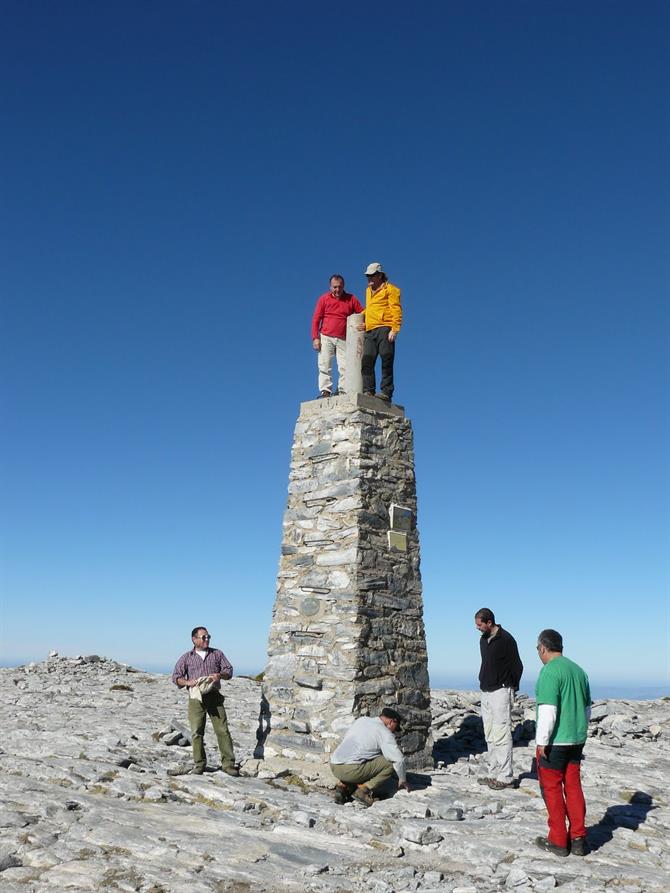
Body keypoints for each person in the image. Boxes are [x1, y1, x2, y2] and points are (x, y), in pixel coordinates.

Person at [534, 628, 591, 857]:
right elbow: (587, 709)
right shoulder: (579, 671)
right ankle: (578, 838)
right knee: (574, 786)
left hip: (555, 741)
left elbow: (548, 710)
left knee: (552, 788)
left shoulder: (549, 672)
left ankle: (558, 840)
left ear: (543, 648)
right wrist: (580, 731)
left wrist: (541, 742)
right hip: (577, 739)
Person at [172, 627, 239, 776]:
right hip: (196, 698)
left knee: (222, 730)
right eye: (203, 637)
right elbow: (176, 677)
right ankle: (199, 764)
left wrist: (220, 675)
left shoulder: (217, 654)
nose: (207, 639)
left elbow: (229, 670)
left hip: (214, 696)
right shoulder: (186, 657)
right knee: (197, 732)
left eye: (208, 637)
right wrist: (187, 682)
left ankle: (228, 765)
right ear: (194, 639)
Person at [474, 607, 523, 789]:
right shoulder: (483, 639)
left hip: (501, 691)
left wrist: (510, 686)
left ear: (489, 622)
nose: (477, 628)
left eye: (479, 624)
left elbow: (517, 665)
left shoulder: (506, 640)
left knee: (501, 732)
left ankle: (506, 776)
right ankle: (493, 772)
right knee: (489, 733)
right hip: (486, 690)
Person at [330, 707, 410, 806]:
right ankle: (363, 791)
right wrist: (402, 779)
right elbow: (398, 759)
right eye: (395, 727)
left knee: (364, 759)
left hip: (334, 766)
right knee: (390, 762)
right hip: (351, 771)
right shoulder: (384, 732)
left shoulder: (362, 720)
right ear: (392, 722)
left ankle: (343, 787)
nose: (394, 731)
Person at [311, 274, 364, 398]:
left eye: (339, 287)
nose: (337, 289)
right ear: (330, 287)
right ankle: (325, 391)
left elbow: (362, 312)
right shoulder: (323, 299)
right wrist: (315, 338)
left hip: (343, 338)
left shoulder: (351, 299)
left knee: (345, 366)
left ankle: (342, 390)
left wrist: (364, 323)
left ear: (343, 286)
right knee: (325, 364)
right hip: (326, 336)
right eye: (334, 287)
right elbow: (316, 319)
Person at [361, 262, 402, 402]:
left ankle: (386, 392)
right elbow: (371, 308)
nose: (369, 278)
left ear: (380, 275)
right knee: (367, 359)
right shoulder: (368, 290)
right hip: (370, 329)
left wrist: (395, 329)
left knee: (386, 359)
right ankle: (368, 391)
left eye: (372, 275)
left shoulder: (391, 289)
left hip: (385, 328)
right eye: (368, 276)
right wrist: (363, 319)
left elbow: (396, 309)